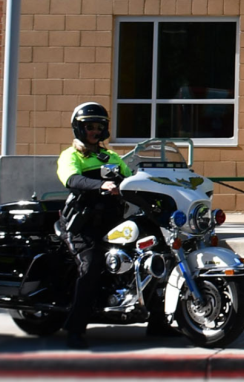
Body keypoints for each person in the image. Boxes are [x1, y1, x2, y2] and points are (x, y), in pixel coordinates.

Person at [55, 102, 159, 349]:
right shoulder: (71, 155)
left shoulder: (110, 157)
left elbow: (130, 178)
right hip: (81, 225)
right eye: (89, 127)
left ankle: (159, 323)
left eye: (99, 127)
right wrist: (100, 185)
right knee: (91, 265)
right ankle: (75, 330)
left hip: (113, 223)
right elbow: (71, 178)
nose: (94, 131)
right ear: (79, 129)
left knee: (152, 258)